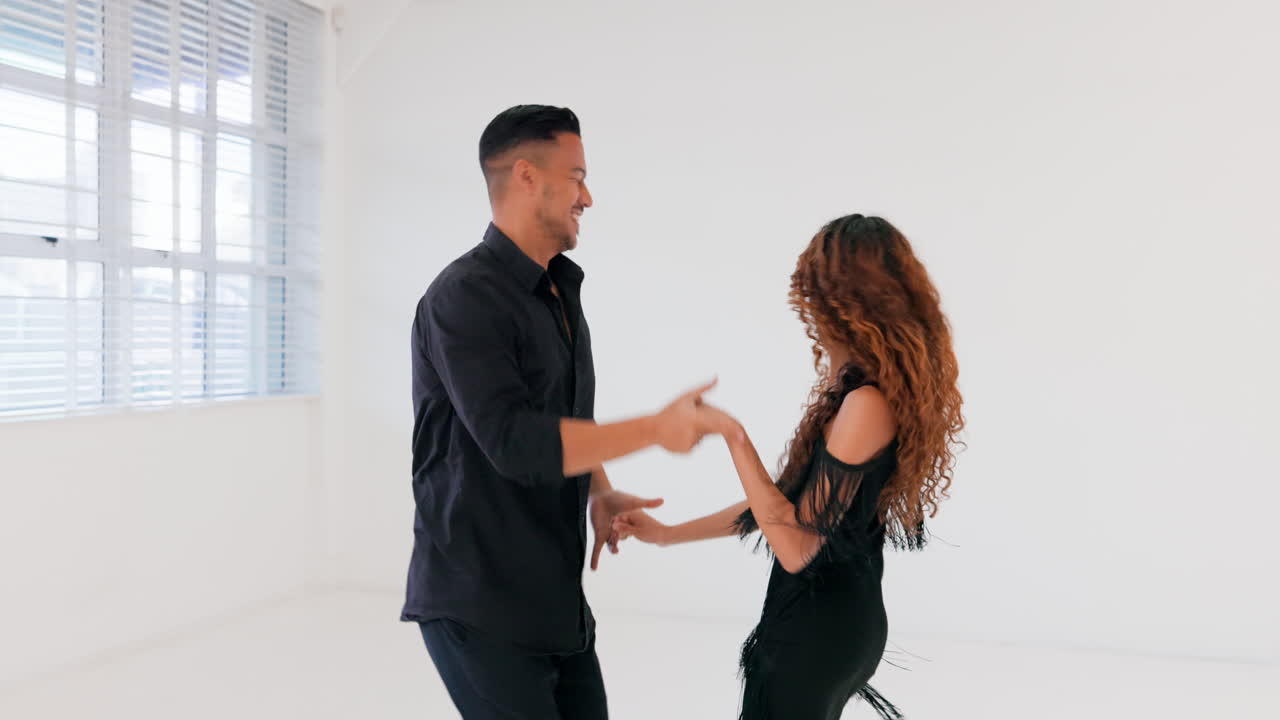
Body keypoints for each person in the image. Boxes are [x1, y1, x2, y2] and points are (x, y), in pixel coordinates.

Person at [401, 104, 724, 719]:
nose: (588, 196)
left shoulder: (559, 288)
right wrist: (657, 429)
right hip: (479, 602)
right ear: (527, 176)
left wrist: (598, 488)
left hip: (554, 599)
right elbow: (516, 442)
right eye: (577, 176)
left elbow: (561, 414)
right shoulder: (462, 298)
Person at [613, 214, 965, 720]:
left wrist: (733, 437)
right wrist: (668, 534)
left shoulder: (866, 404)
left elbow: (797, 547)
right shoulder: (862, 392)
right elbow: (784, 505)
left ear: (838, 300)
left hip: (817, 633)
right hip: (831, 625)